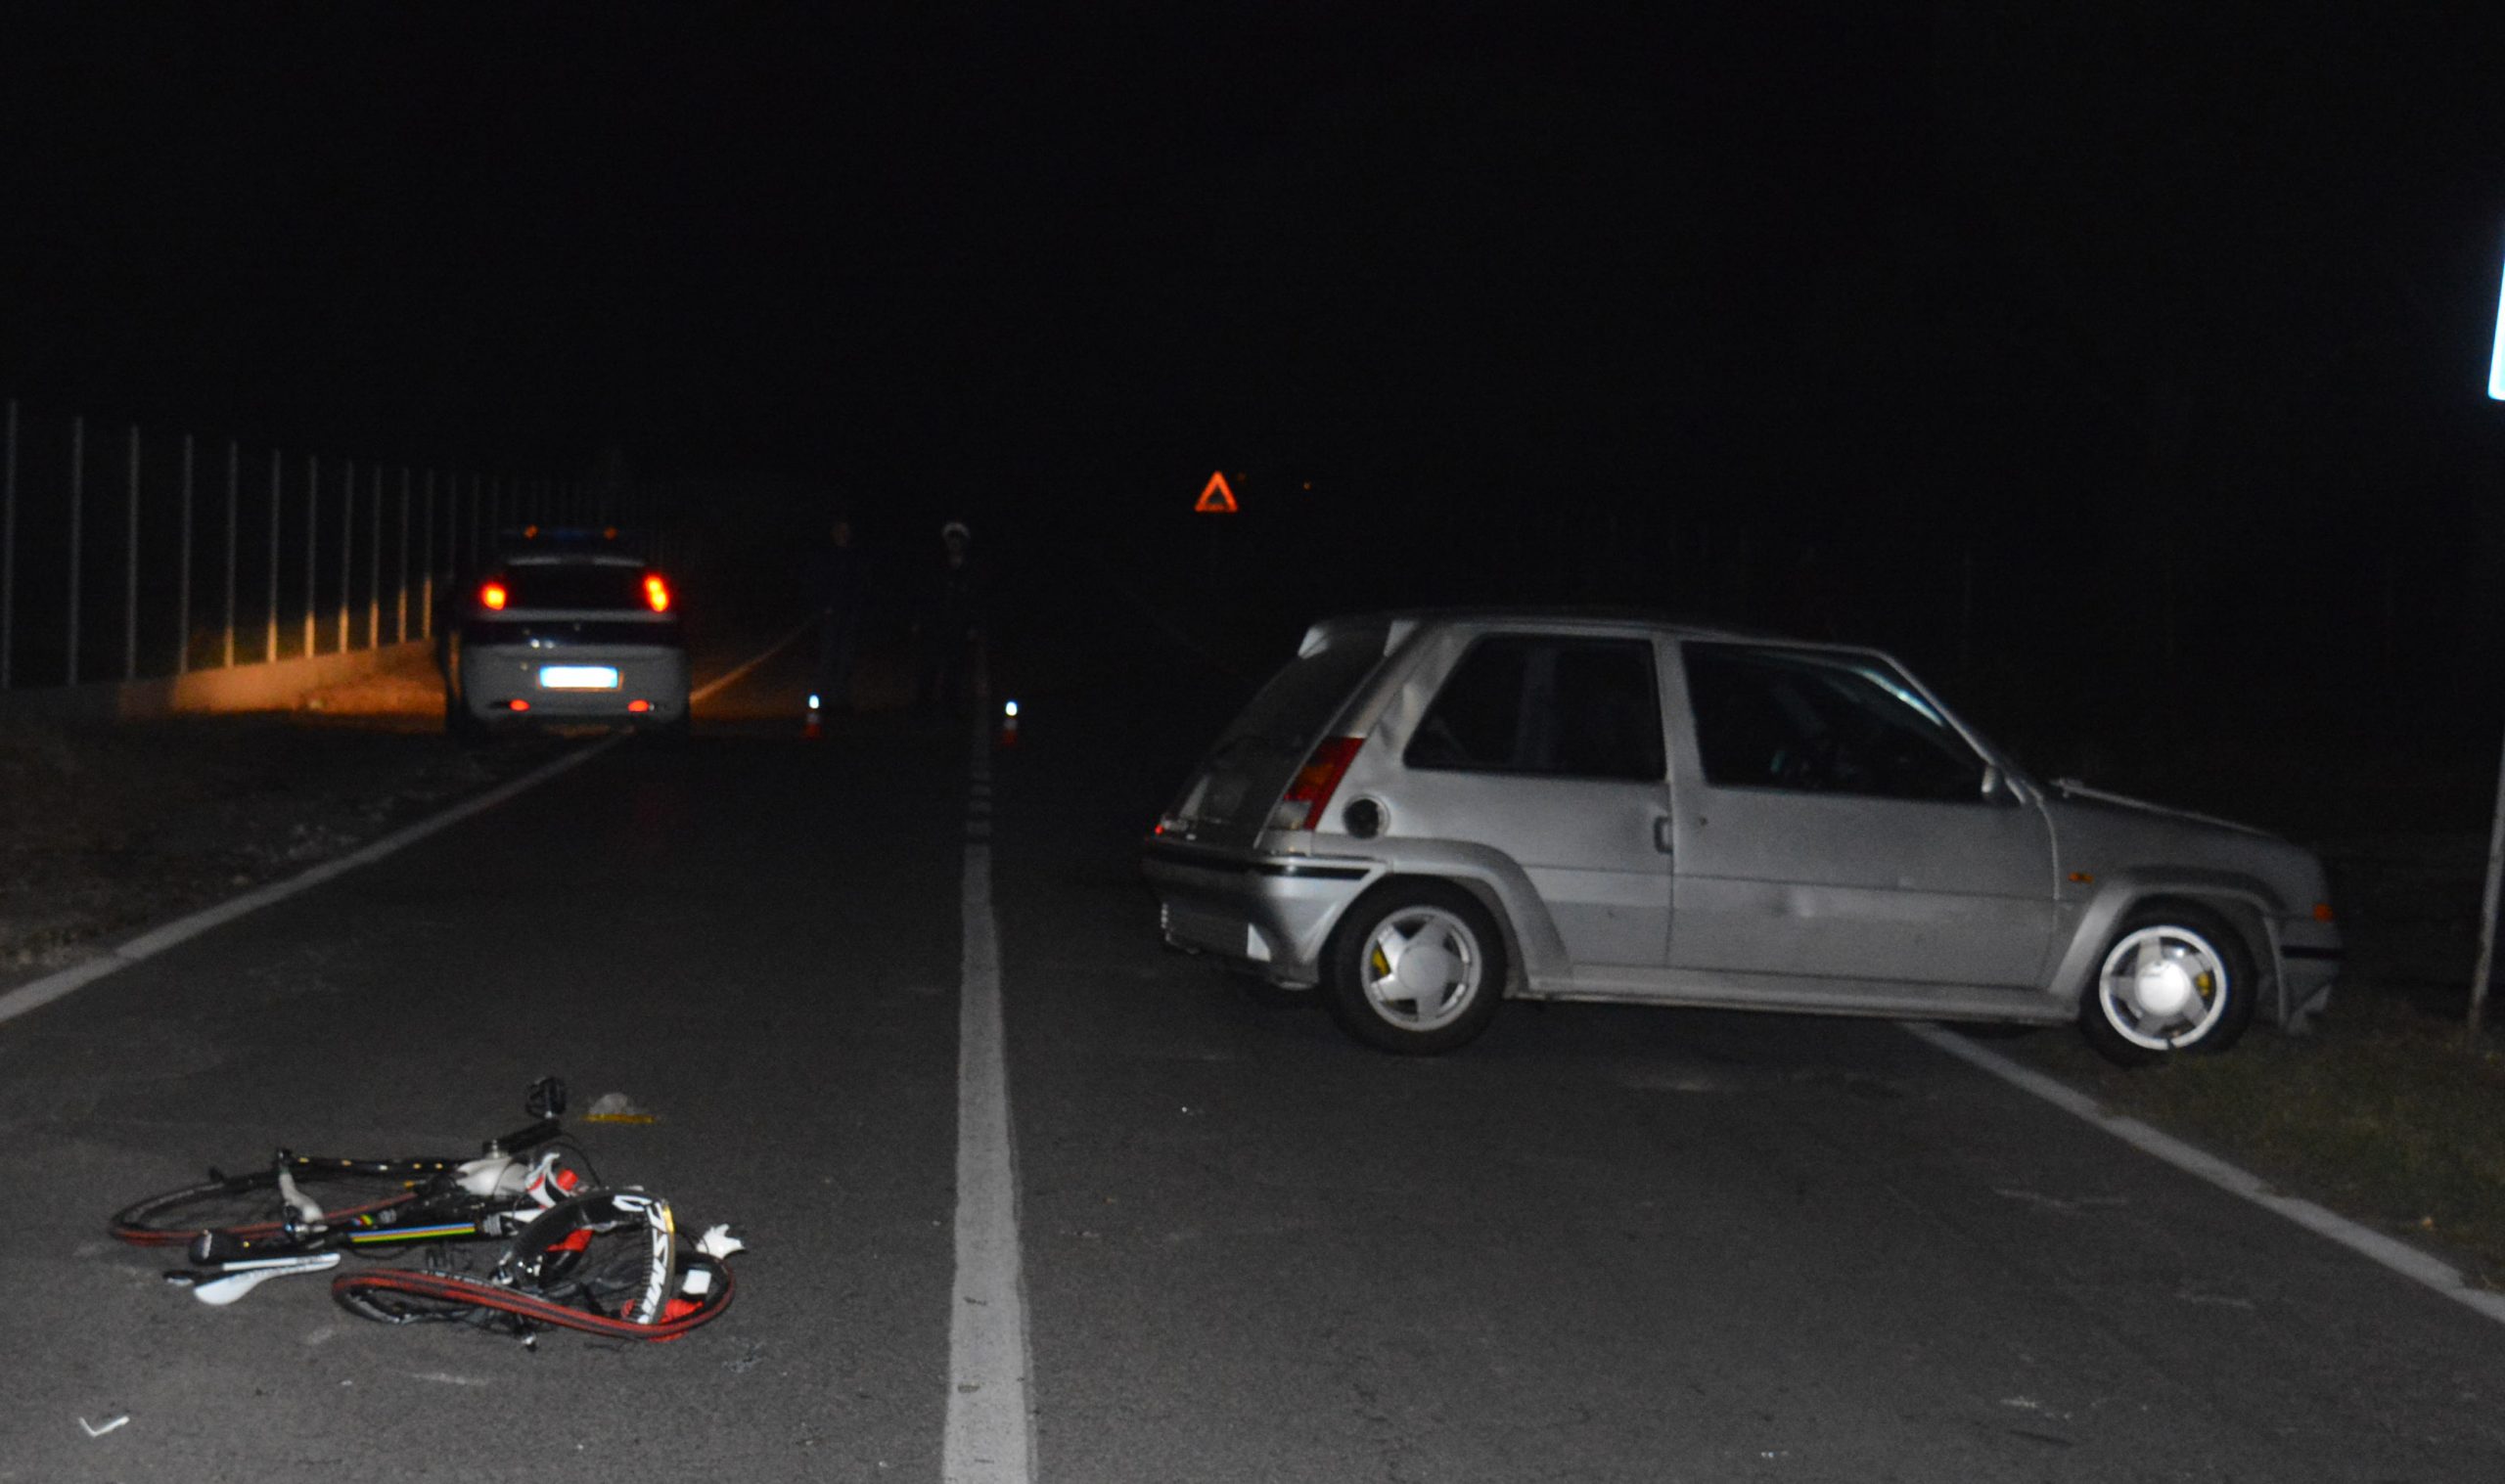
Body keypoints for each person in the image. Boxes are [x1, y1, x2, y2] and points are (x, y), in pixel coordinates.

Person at [914, 518, 985, 714]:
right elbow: (925, 594)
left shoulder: (970, 569)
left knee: (955, 668)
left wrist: (972, 625)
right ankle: (923, 706)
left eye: (958, 540)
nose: (954, 544)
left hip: (958, 626)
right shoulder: (936, 566)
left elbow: (974, 599)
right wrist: (921, 619)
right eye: (950, 540)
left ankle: (950, 706)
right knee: (930, 667)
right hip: (935, 624)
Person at [806, 514, 868, 733]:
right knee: (827, 658)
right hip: (830, 615)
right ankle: (823, 701)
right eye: (839, 529)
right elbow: (816, 583)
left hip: (849, 614)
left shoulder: (854, 556)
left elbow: (860, 585)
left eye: (846, 530)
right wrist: (823, 607)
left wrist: (858, 609)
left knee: (845, 658)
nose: (843, 534)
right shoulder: (825, 556)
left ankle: (841, 700)